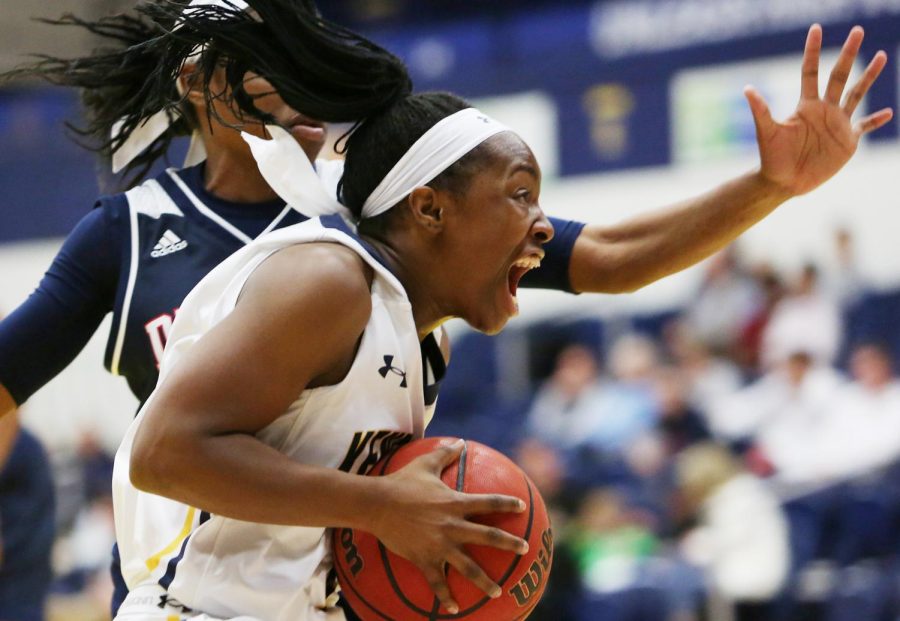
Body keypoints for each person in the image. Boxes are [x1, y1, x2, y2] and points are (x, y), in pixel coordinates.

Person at [114, 91, 549, 620]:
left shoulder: (427, 343)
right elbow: (164, 454)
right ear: (430, 207)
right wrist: (383, 506)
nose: (544, 224)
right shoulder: (330, 280)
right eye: (521, 193)